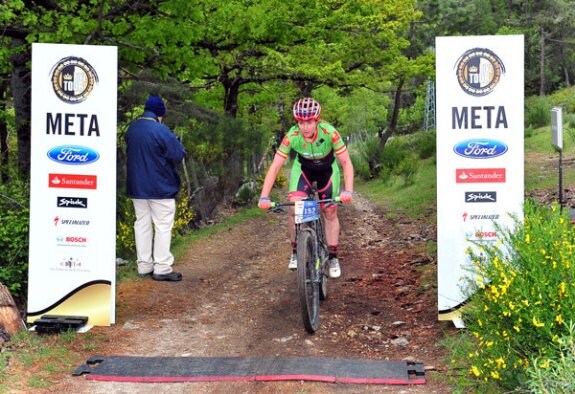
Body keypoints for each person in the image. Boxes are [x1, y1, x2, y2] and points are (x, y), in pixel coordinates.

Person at [258, 97, 354, 278]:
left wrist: (348, 190)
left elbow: (346, 162)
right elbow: (275, 166)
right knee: (294, 208)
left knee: (330, 210)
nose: (305, 127)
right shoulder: (292, 136)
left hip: (327, 170)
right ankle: (296, 251)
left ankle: (333, 257)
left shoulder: (330, 133)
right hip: (303, 170)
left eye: (309, 121)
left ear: (317, 120)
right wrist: (264, 196)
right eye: (301, 122)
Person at [125, 95, 187, 282]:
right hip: (160, 186)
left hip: (137, 186)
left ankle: (144, 265)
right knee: (162, 225)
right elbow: (178, 154)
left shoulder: (132, 129)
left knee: (141, 223)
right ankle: (162, 267)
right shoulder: (161, 130)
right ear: (160, 115)